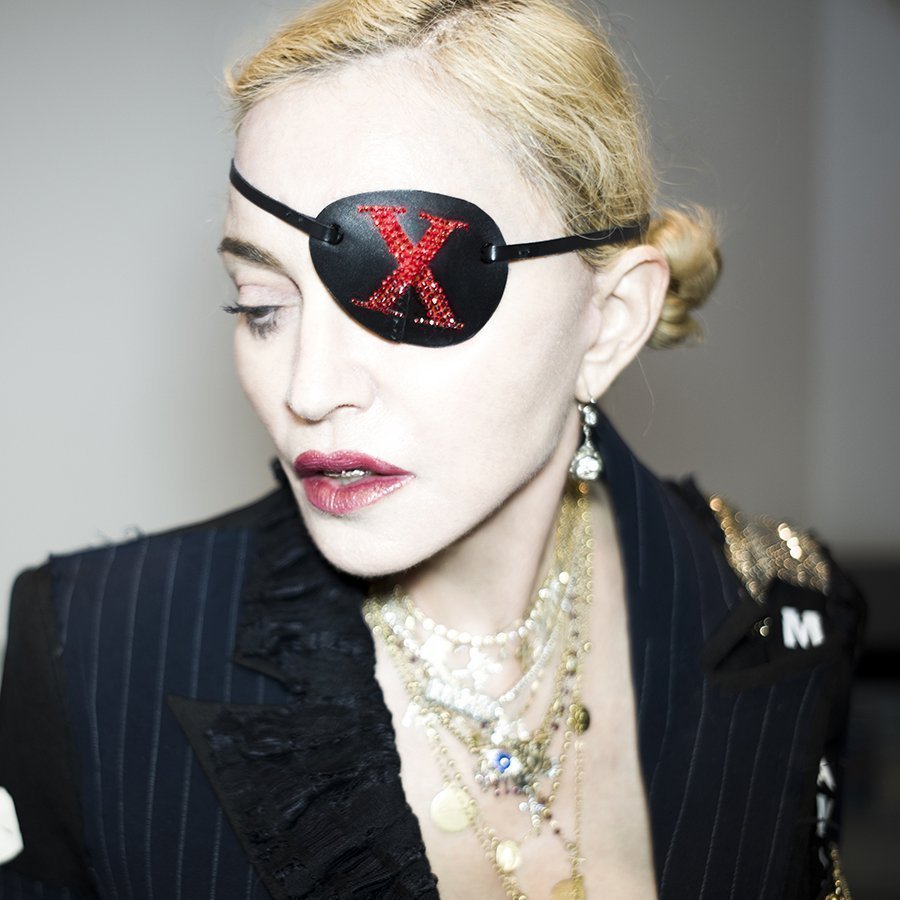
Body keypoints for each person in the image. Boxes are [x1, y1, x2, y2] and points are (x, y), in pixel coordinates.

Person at [0, 0, 863, 897]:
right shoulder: (95, 655)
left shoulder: (786, 615)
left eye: (408, 294)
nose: (308, 389)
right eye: (260, 306)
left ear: (608, 321)